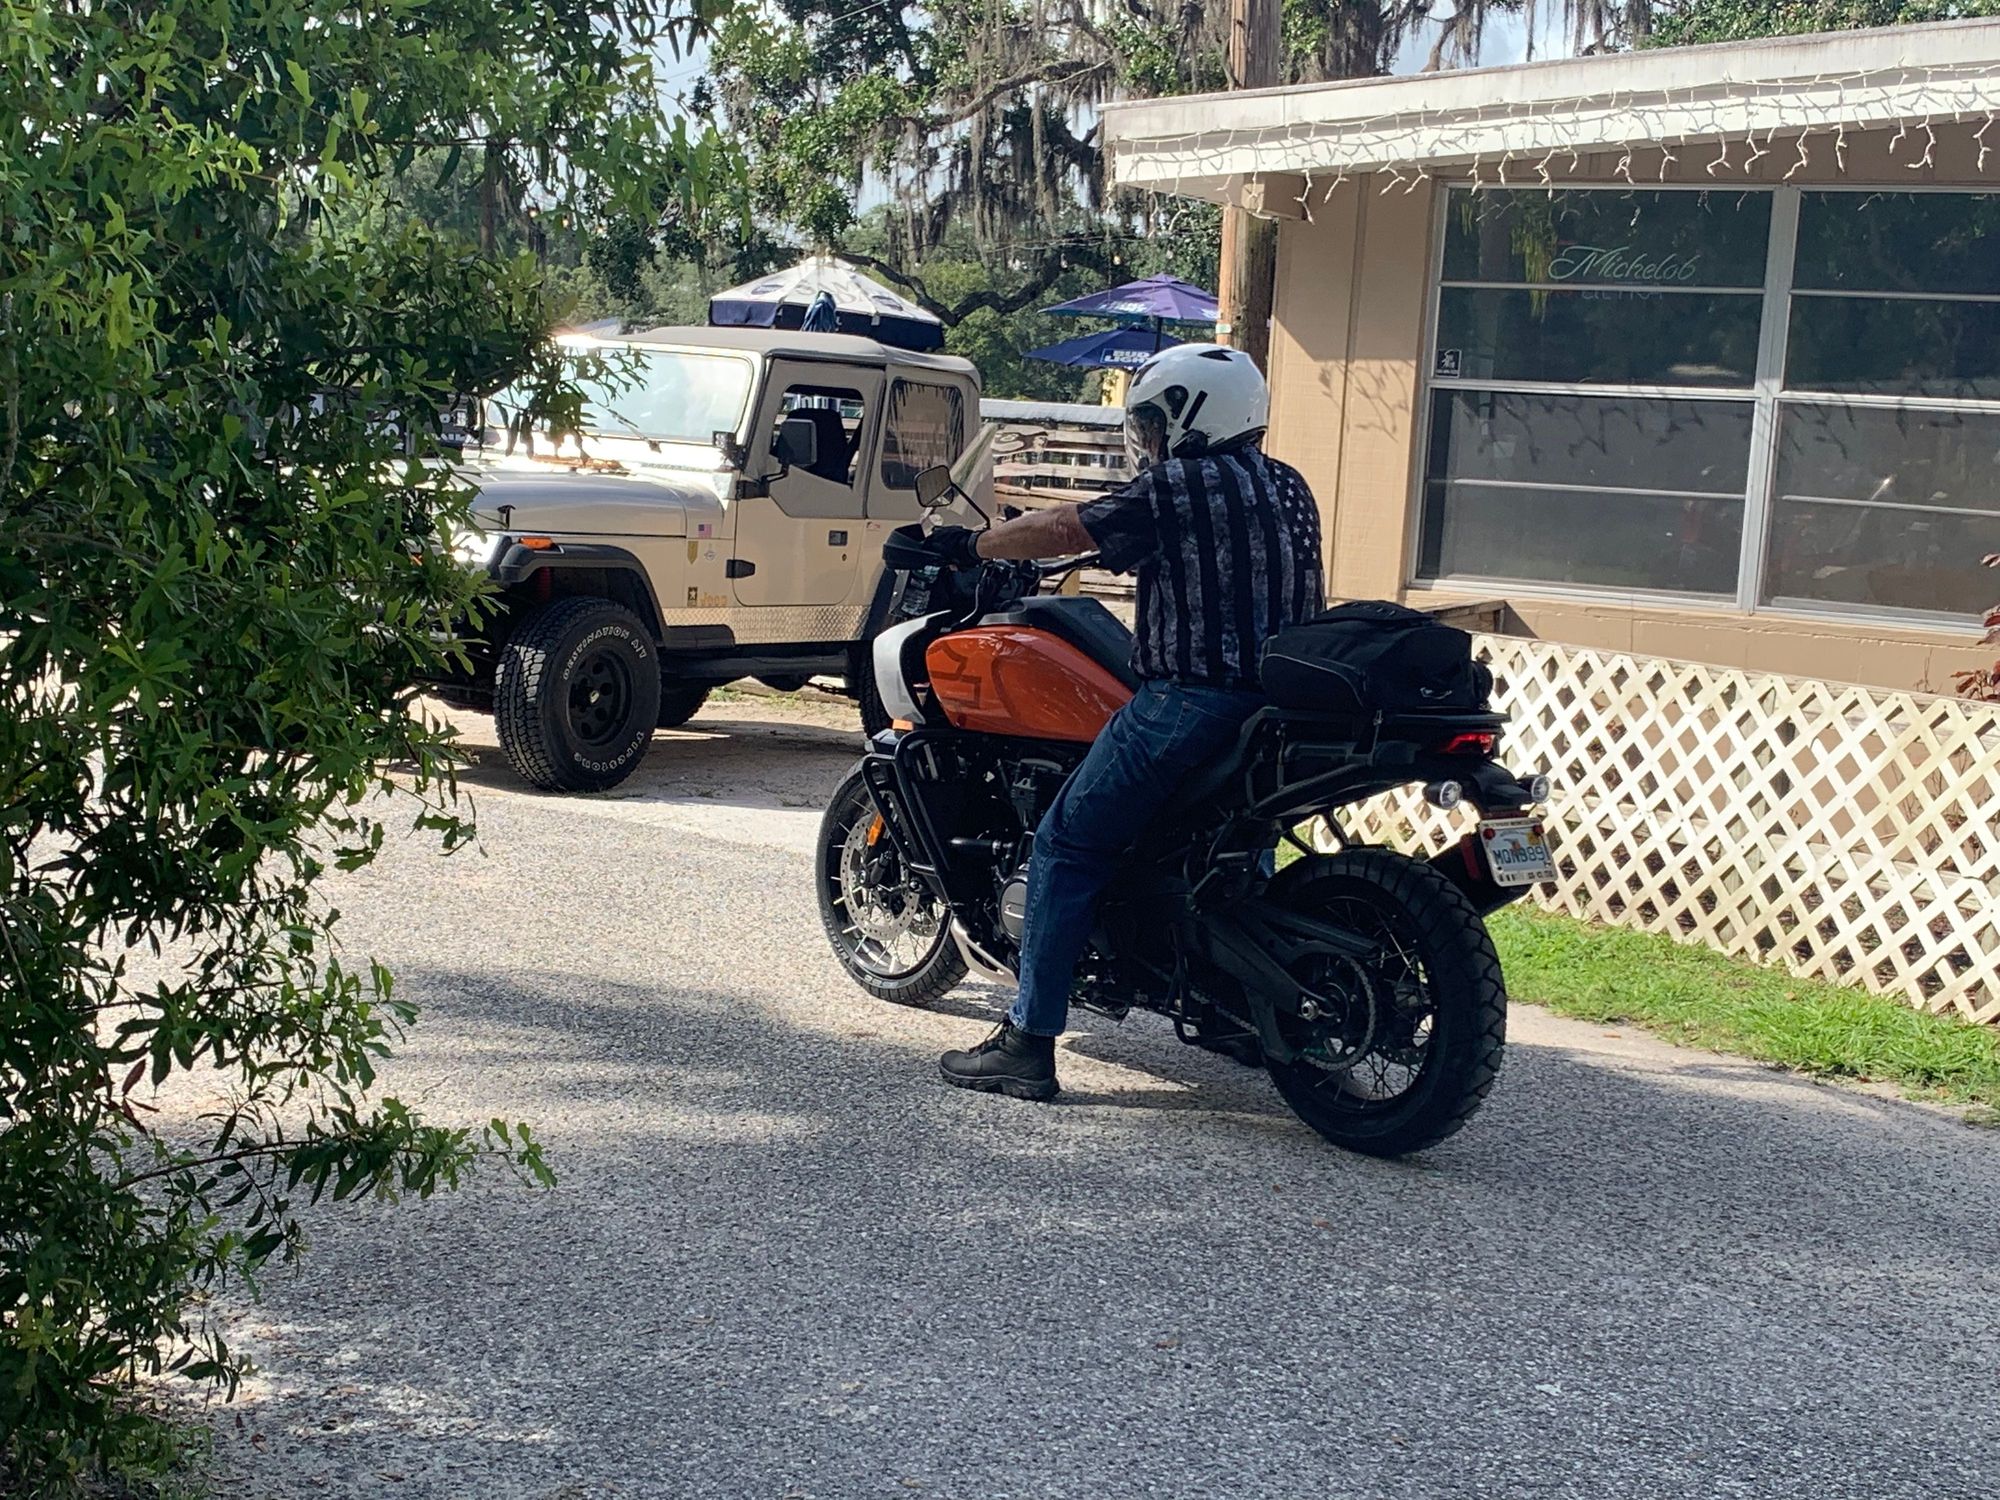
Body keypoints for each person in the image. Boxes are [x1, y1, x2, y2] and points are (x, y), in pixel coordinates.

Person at [923, 343, 1325, 1102]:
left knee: (1068, 843)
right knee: (1237, 844)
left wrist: (970, 543)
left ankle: (1027, 1043)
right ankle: (1237, 1010)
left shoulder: (1182, 485)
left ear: (1193, 417)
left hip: (1191, 703)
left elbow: (1066, 528)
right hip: (1279, 711)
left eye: (1153, 421)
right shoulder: (1286, 484)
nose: (1147, 437)